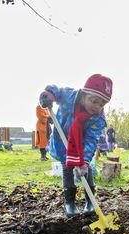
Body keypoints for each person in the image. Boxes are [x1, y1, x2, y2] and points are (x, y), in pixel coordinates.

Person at [39, 74, 113, 218]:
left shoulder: (98, 118)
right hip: (62, 142)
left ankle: (90, 201)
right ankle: (70, 203)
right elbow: (56, 90)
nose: (97, 107)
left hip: (82, 147)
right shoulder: (69, 96)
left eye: (102, 104)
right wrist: (49, 95)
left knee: (88, 170)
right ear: (84, 94)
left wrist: (84, 161)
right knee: (67, 170)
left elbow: (91, 140)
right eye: (94, 101)